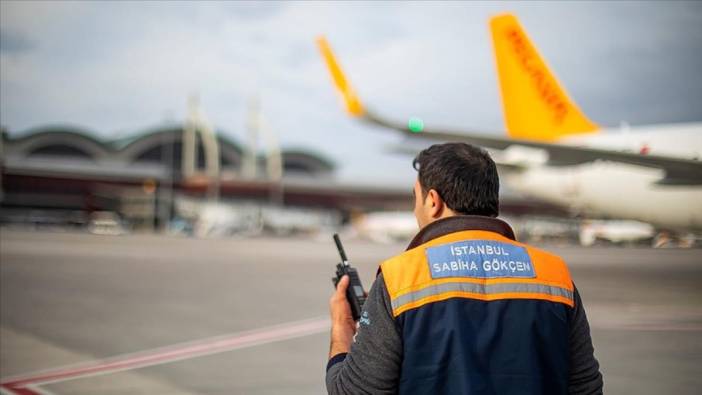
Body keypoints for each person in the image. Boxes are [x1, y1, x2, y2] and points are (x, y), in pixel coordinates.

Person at [326, 143, 603, 394]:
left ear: (433, 201)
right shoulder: (553, 274)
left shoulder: (400, 277)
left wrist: (342, 327)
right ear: (493, 201)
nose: (414, 210)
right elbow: (586, 387)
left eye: (416, 198)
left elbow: (355, 392)